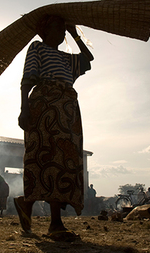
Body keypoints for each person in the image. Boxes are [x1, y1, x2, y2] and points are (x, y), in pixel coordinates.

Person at [15, 14, 94, 241]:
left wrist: (75, 34)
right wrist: (24, 108)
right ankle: (55, 224)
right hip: (44, 105)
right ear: (44, 31)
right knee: (43, 157)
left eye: (62, 29)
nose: (60, 32)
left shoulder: (66, 58)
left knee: (64, 159)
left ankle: (26, 203)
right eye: (56, 28)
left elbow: (88, 58)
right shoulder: (37, 47)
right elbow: (27, 78)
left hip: (67, 109)